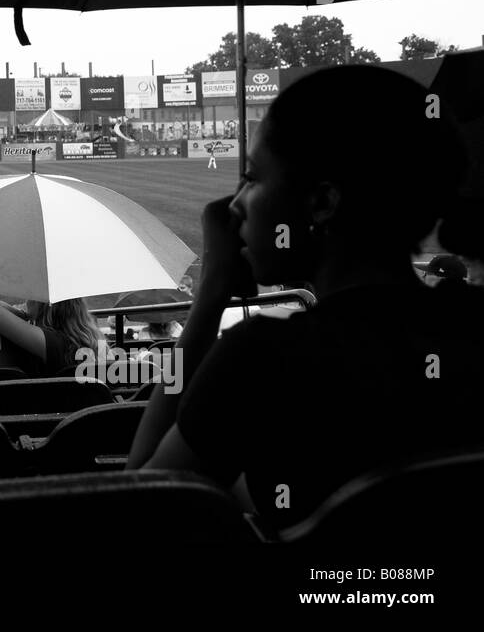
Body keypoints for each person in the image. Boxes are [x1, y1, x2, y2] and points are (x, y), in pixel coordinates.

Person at [127, 65, 484, 533]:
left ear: (321, 203)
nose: (233, 205)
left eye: (253, 178)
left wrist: (211, 294)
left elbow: (140, 501)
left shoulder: (262, 353)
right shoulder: (472, 324)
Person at [0, 296, 105, 375]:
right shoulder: (89, 337)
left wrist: (25, 314)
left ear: (44, 306)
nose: (27, 301)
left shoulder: (51, 342)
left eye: (31, 297)